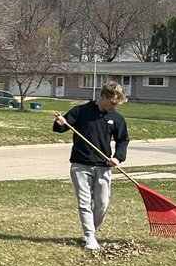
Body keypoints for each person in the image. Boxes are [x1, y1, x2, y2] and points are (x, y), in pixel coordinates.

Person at [53, 81, 129, 252]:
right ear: (103, 97)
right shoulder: (81, 111)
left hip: (103, 165)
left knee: (102, 203)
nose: (114, 106)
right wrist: (60, 123)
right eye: (112, 103)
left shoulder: (116, 118)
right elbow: (61, 128)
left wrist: (118, 158)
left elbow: (123, 140)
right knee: (84, 202)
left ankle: (91, 232)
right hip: (80, 164)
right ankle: (90, 237)